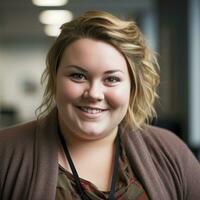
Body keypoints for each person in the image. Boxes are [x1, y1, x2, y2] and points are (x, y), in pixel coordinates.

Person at [0, 10, 200, 200]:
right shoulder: (6, 151)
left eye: (112, 79)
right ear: (55, 79)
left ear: (133, 86)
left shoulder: (171, 152)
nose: (94, 94)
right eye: (78, 76)